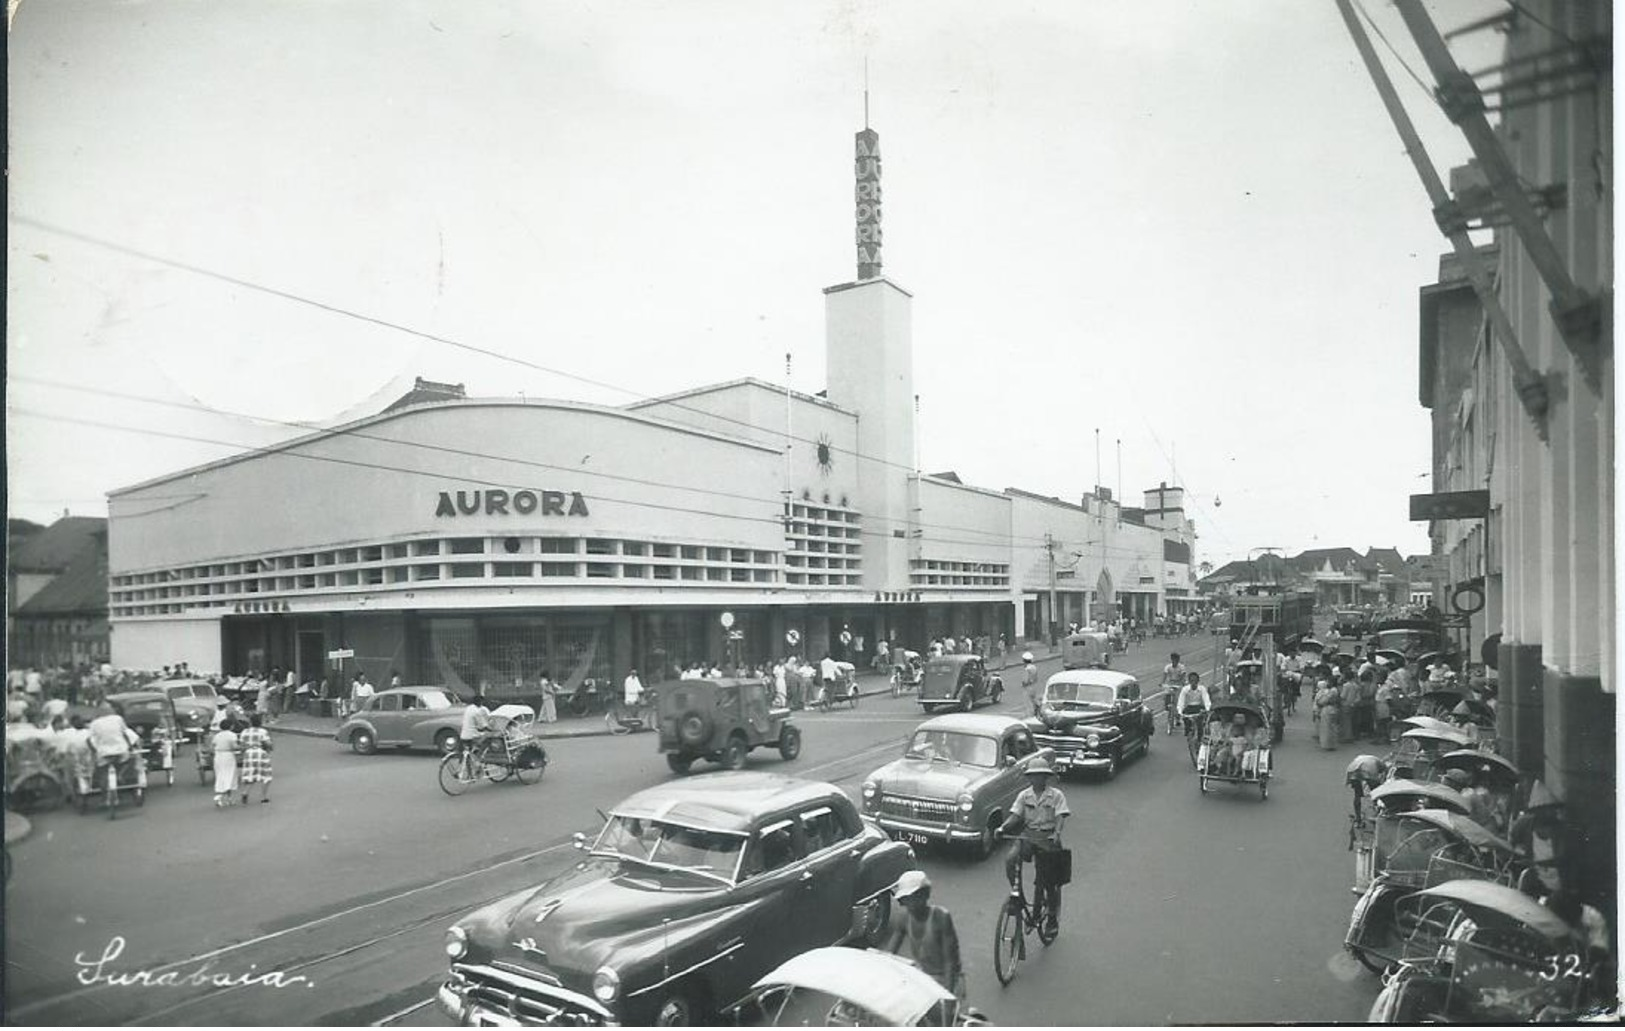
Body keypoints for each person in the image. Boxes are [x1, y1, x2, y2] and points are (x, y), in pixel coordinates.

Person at [999, 758, 1068, 935]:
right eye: (1033, 776)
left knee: (1046, 881)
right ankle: (1018, 898)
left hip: (1048, 837)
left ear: (1046, 777)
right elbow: (1015, 815)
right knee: (1010, 860)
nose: (1036, 779)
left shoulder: (1056, 795)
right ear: (1029, 778)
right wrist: (1002, 827)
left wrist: (1057, 833)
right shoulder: (1024, 795)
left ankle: (1051, 918)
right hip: (1029, 835)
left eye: (1040, 776)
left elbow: (1061, 816)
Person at [882, 870, 965, 1000]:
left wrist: (948, 997)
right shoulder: (904, 918)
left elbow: (950, 962)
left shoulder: (941, 917)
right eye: (907, 899)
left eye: (915, 897)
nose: (910, 903)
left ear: (925, 895)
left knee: (948, 1018)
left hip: (948, 979)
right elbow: (889, 954)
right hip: (923, 977)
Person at [238, 713, 273, 804]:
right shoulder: (262, 731)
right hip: (260, 753)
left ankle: (245, 792)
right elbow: (268, 743)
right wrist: (270, 747)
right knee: (266, 775)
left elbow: (241, 745)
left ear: (250, 722)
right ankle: (263, 797)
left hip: (248, 753)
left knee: (250, 775)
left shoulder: (244, 732)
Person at [211, 718, 240, 807]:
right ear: (231, 726)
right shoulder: (232, 735)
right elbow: (234, 746)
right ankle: (220, 796)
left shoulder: (217, 736)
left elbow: (212, 745)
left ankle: (228, 799)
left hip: (218, 756)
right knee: (229, 775)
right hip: (228, 755)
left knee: (221, 775)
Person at [459, 693, 494, 763]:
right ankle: (479, 759)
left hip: (464, 735)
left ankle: (470, 760)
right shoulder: (477, 712)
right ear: (480, 702)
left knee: (470, 750)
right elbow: (481, 727)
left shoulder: (468, 708)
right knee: (488, 740)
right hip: (472, 736)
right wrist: (491, 729)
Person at [1314, 679, 1339, 750]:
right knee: (1332, 727)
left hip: (1328, 709)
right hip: (1333, 709)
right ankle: (1332, 744)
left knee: (1327, 728)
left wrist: (1319, 702)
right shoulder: (1335, 690)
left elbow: (1324, 701)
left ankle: (1327, 744)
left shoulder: (1331, 691)